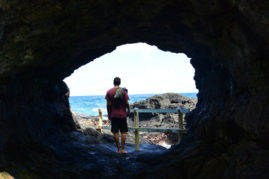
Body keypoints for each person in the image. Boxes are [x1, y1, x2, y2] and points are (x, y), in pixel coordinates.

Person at [105, 77, 130, 154]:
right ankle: (123, 149)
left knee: (115, 132)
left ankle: (118, 150)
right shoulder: (124, 92)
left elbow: (108, 104)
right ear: (120, 83)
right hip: (122, 114)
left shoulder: (109, 92)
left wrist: (109, 113)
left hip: (113, 114)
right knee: (124, 132)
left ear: (113, 82)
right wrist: (128, 110)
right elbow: (126, 103)